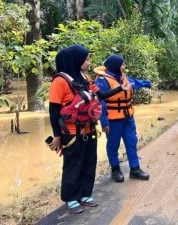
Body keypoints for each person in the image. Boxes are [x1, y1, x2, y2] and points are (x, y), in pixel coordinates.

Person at [48, 45, 131, 214]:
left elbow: (100, 95)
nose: (89, 62)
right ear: (76, 60)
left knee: (89, 163)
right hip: (71, 133)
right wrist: (57, 136)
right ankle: (71, 198)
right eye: (87, 59)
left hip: (89, 130)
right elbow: (54, 110)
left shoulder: (85, 79)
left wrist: (119, 88)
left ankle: (85, 194)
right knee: (73, 165)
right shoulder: (60, 81)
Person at [94, 54, 151, 182]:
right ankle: (115, 170)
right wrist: (104, 123)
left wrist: (147, 83)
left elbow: (135, 83)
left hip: (128, 118)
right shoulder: (102, 81)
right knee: (113, 145)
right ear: (115, 66)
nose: (124, 67)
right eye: (122, 65)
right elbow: (101, 102)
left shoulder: (123, 78)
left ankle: (135, 169)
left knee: (132, 142)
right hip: (113, 120)